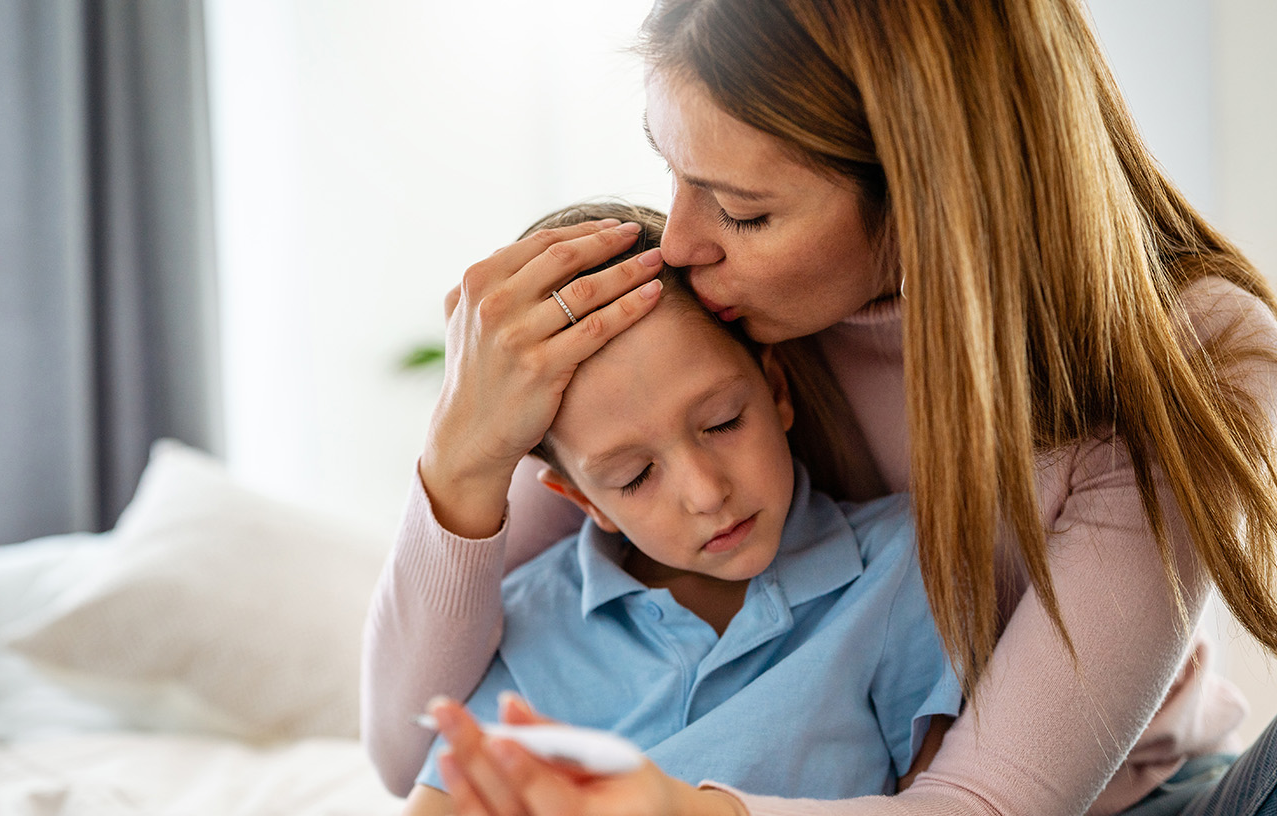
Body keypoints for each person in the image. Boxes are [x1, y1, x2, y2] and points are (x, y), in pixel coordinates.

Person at [362, 0, 1277, 814]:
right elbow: (408, 752)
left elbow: (985, 802)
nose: (679, 241)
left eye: (743, 213)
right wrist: (462, 458)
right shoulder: (707, 318)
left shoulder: (1198, 356)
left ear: (927, 193)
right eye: (676, 175)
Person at [402, 204, 961, 816]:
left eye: (722, 423)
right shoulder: (531, 621)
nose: (705, 493)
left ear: (776, 391)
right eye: (634, 476)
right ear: (588, 503)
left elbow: (944, 801)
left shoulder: (900, 570)